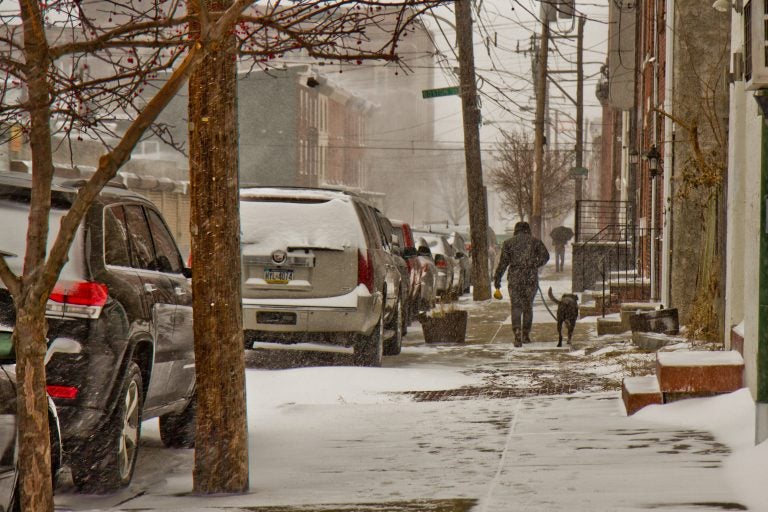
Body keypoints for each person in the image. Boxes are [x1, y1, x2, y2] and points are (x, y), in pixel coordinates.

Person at [493, 221, 550, 347]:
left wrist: (497, 279)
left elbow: (503, 263)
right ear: (528, 230)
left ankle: (517, 331)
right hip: (530, 278)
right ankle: (525, 334)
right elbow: (546, 256)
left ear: (515, 230)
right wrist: (534, 264)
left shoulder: (508, 243)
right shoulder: (535, 242)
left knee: (516, 306)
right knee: (528, 306)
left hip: (515, 279)